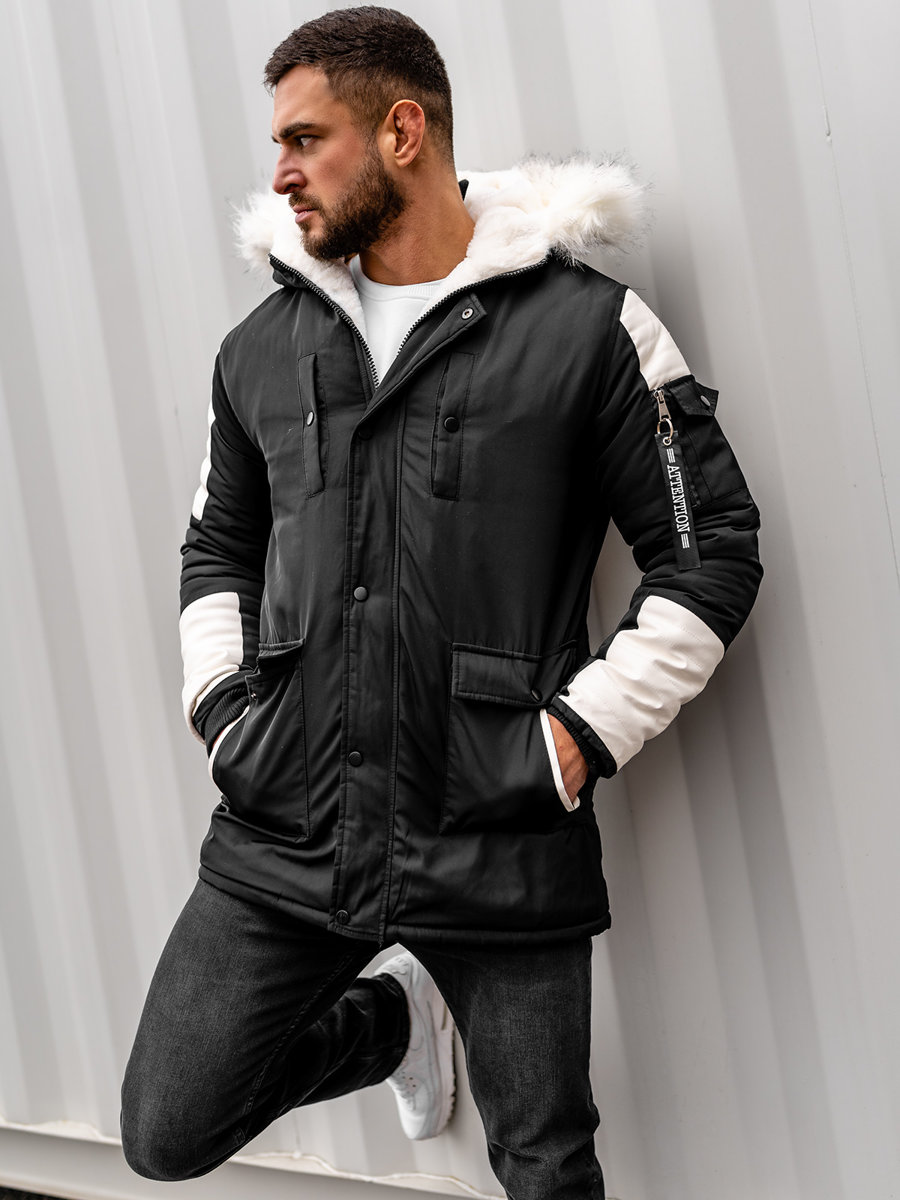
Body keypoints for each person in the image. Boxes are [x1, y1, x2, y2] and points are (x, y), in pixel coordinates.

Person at [120, 7, 762, 1198]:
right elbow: (217, 547)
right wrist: (224, 714)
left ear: (401, 131)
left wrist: (575, 739)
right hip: (289, 826)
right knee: (166, 1129)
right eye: (279, 144)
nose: (280, 173)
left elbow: (710, 550)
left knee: (546, 1169)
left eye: (305, 139)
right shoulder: (262, 350)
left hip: (496, 829)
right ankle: (394, 1024)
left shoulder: (588, 330)